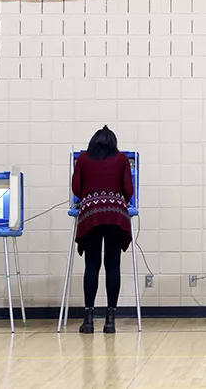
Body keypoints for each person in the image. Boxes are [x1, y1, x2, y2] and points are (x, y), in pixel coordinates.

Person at [72, 125, 134, 334]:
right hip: (116, 214)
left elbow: (76, 188)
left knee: (92, 265)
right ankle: (110, 321)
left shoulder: (83, 159)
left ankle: (88, 321)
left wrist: (92, 197)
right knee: (113, 265)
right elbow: (128, 189)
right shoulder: (122, 159)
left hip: (91, 214)